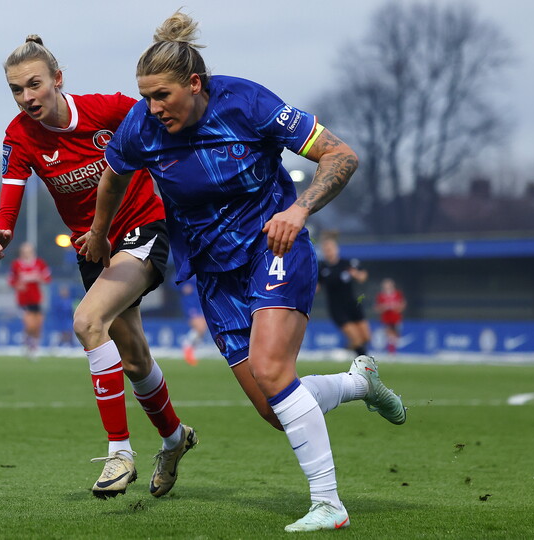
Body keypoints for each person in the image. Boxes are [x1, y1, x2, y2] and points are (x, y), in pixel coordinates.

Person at [80, 11, 406, 531]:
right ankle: (358, 384)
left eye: (162, 95)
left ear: (195, 83)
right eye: (145, 96)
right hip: (214, 272)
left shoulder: (248, 102)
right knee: (276, 409)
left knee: (275, 372)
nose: (152, 107)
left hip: (275, 246)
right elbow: (114, 175)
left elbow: (340, 155)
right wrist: (99, 232)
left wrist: (299, 210)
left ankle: (329, 504)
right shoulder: (141, 127)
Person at [0, 35, 198, 500]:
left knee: (86, 320)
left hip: (142, 227)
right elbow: (12, 189)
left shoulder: (109, 110)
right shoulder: (19, 135)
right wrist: (2, 227)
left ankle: (119, 452)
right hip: (92, 248)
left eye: (34, 85)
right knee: (135, 358)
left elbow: (164, 126)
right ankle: (174, 438)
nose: (27, 97)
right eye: (17, 90)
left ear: (58, 81)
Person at [317, 235, 371, 357]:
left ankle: (347, 349)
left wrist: (356, 274)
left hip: (353, 305)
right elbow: (316, 287)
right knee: (356, 339)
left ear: (336, 249)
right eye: (325, 250)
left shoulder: (347, 263)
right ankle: (365, 365)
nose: (328, 252)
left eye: (330, 248)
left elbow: (363, 276)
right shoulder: (322, 269)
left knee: (366, 337)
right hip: (337, 309)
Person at [8, 242, 52, 359]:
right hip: (23, 300)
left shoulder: (39, 263)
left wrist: (39, 278)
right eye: (24, 252)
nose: (27, 254)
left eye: (29, 251)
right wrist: (18, 285)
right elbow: (11, 281)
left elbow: (47, 278)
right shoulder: (16, 265)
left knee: (38, 325)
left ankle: (34, 347)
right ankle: (28, 343)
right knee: (30, 324)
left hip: (36, 299)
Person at [177, 278, 206, 366]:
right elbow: (172, 282)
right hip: (190, 303)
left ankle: (190, 348)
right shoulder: (184, 268)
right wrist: (182, 287)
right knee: (200, 327)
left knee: (203, 327)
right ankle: (187, 344)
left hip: (200, 300)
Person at [375, 278, 406, 354]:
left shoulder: (398, 294)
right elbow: (377, 308)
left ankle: (393, 351)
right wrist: (384, 307)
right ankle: (391, 352)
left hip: (396, 317)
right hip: (386, 318)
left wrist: (396, 307)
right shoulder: (381, 296)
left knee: (395, 335)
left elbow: (402, 305)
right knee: (389, 335)